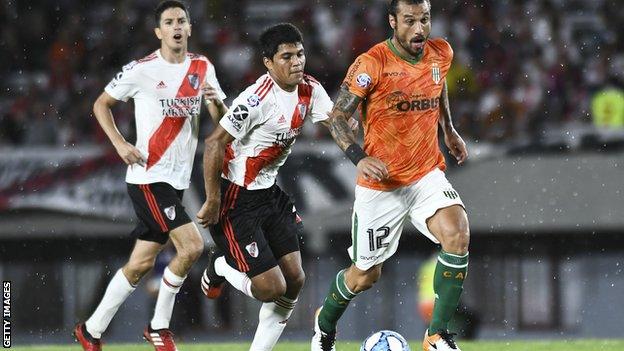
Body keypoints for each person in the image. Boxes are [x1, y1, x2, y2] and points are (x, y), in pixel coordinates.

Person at [310, 1, 471, 351]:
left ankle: (436, 335)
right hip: (381, 185)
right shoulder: (372, 63)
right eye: (410, 21)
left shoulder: (440, 52)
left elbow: (437, 84)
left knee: (457, 233)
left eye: (425, 20)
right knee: (365, 275)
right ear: (393, 21)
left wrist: (449, 130)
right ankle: (324, 325)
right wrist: (358, 157)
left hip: (425, 173)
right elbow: (338, 117)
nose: (419, 29)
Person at [73, 1, 227, 351]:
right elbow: (101, 104)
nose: (176, 26)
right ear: (158, 31)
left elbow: (221, 123)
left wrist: (216, 102)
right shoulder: (141, 70)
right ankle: (159, 327)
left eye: (181, 21)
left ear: (189, 28)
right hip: (148, 177)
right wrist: (120, 144)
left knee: (140, 263)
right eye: (169, 21)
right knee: (192, 246)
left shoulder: (203, 67)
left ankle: (91, 330)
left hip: (176, 180)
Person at [196, 23, 354, 351]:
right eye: (287, 56)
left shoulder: (310, 89)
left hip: (270, 193)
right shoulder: (256, 99)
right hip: (236, 198)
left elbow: (336, 122)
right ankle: (222, 265)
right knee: (271, 287)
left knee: (295, 280)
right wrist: (212, 200)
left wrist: (363, 150)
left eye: (300, 54)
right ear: (268, 62)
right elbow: (213, 144)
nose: (297, 62)